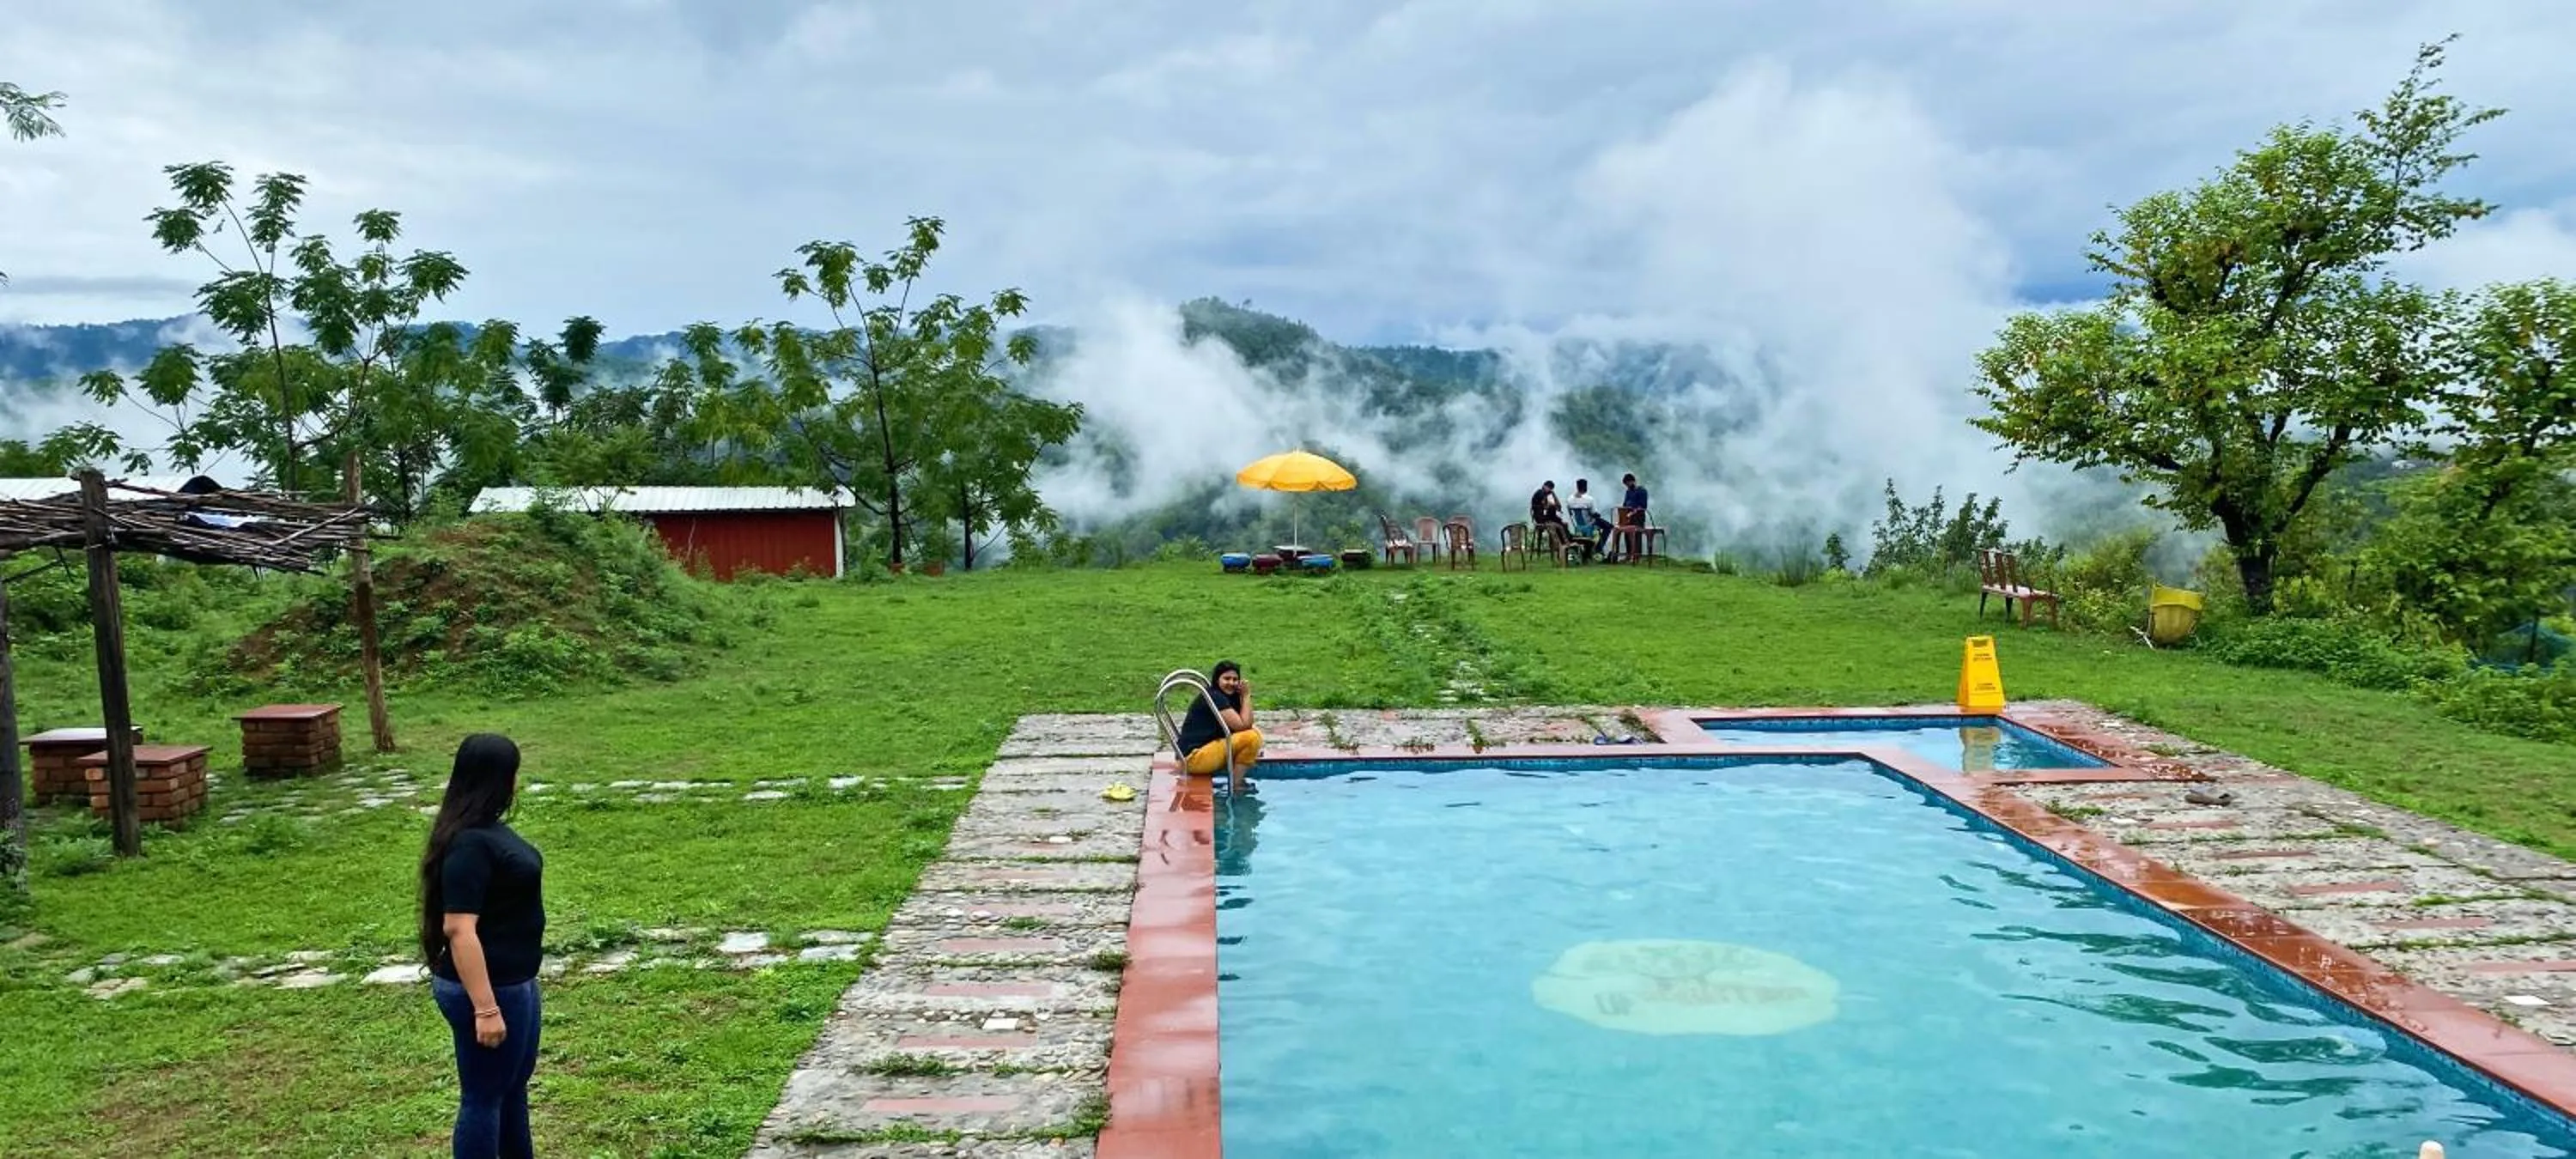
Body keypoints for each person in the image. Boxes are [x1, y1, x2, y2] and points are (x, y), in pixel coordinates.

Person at [420, 734, 545, 1159]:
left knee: (511, 1090)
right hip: (488, 989)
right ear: (499, 779)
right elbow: (458, 929)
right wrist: (486, 1008)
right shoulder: (469, 844)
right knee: (484, 1096)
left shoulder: (485, 831)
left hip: (516, 981)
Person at [1177, 660, 1262, 794]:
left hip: (1201, 752)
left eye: (1235, 679)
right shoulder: (1215, 697)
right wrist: (1246, 697)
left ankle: (1238, 774)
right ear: (1217, 680)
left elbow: (1248, 723)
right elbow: (1242, 725)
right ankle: (1236, 785)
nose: (1231, 683)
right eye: (1226, 679)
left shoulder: (1226, 696)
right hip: (1194, 759)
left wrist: (1241, 698)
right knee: (1251, 738)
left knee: (1254, 732)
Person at [1563, 478, 1608, 561]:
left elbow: (1570, 512)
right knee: (1608, 527)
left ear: (1577, 487)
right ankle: (1598, 548)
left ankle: (1589, 552)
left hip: (1578, 525)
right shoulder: (1589, 499)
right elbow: (1595, 513)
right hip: (1589, 524)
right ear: (1586, 488)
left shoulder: (1570, 499)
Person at [1615, 472, 1651, 562]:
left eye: (1628, 484)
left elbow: (1643, 506)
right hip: (1628, 517)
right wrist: (1622, 513)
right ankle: (1628, 555)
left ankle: (1637, 556)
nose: (1627, 486)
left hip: (1638, 517)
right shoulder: (1628, 492)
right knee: (1626, 534)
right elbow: (1625, 504)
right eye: (1626, 485)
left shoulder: (1642, 491)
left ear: (1632, 481)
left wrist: (1632, 512)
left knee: (1636, 535)